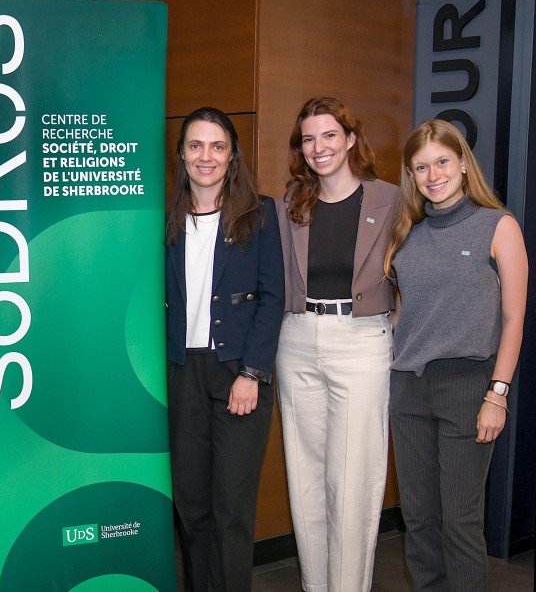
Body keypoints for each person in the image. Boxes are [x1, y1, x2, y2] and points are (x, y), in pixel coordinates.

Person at [384, 119, 527, 591]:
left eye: (442, 162)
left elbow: (513, 321)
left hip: (468, 387)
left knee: (460, 523)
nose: (433, 174)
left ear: (463, 163)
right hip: (408, 388)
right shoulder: (408, 234)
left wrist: (498, 393)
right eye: (421, 167)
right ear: (411, 175)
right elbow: (402, 317)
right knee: (420, 521)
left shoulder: (498, 226)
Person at [275, 96, 397, 592]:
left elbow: (415, 271)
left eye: (329, 135)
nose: (318, 147)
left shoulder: (391, 199)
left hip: (362, 342)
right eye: (308, 138)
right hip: (298, 339)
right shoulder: (290, 205)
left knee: (352, 482)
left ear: (350, 139)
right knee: (305, 482)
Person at [164, 107, 284, 591]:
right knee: (191, 506)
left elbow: (273, 298)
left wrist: (252, 373)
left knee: (231, 508)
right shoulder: (165, 217)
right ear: (182, 155)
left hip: (238, 372)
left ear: (232, 155)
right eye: (195, 146)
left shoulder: (260, 214)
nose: (206, 156)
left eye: (217, 146)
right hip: (182, 372)